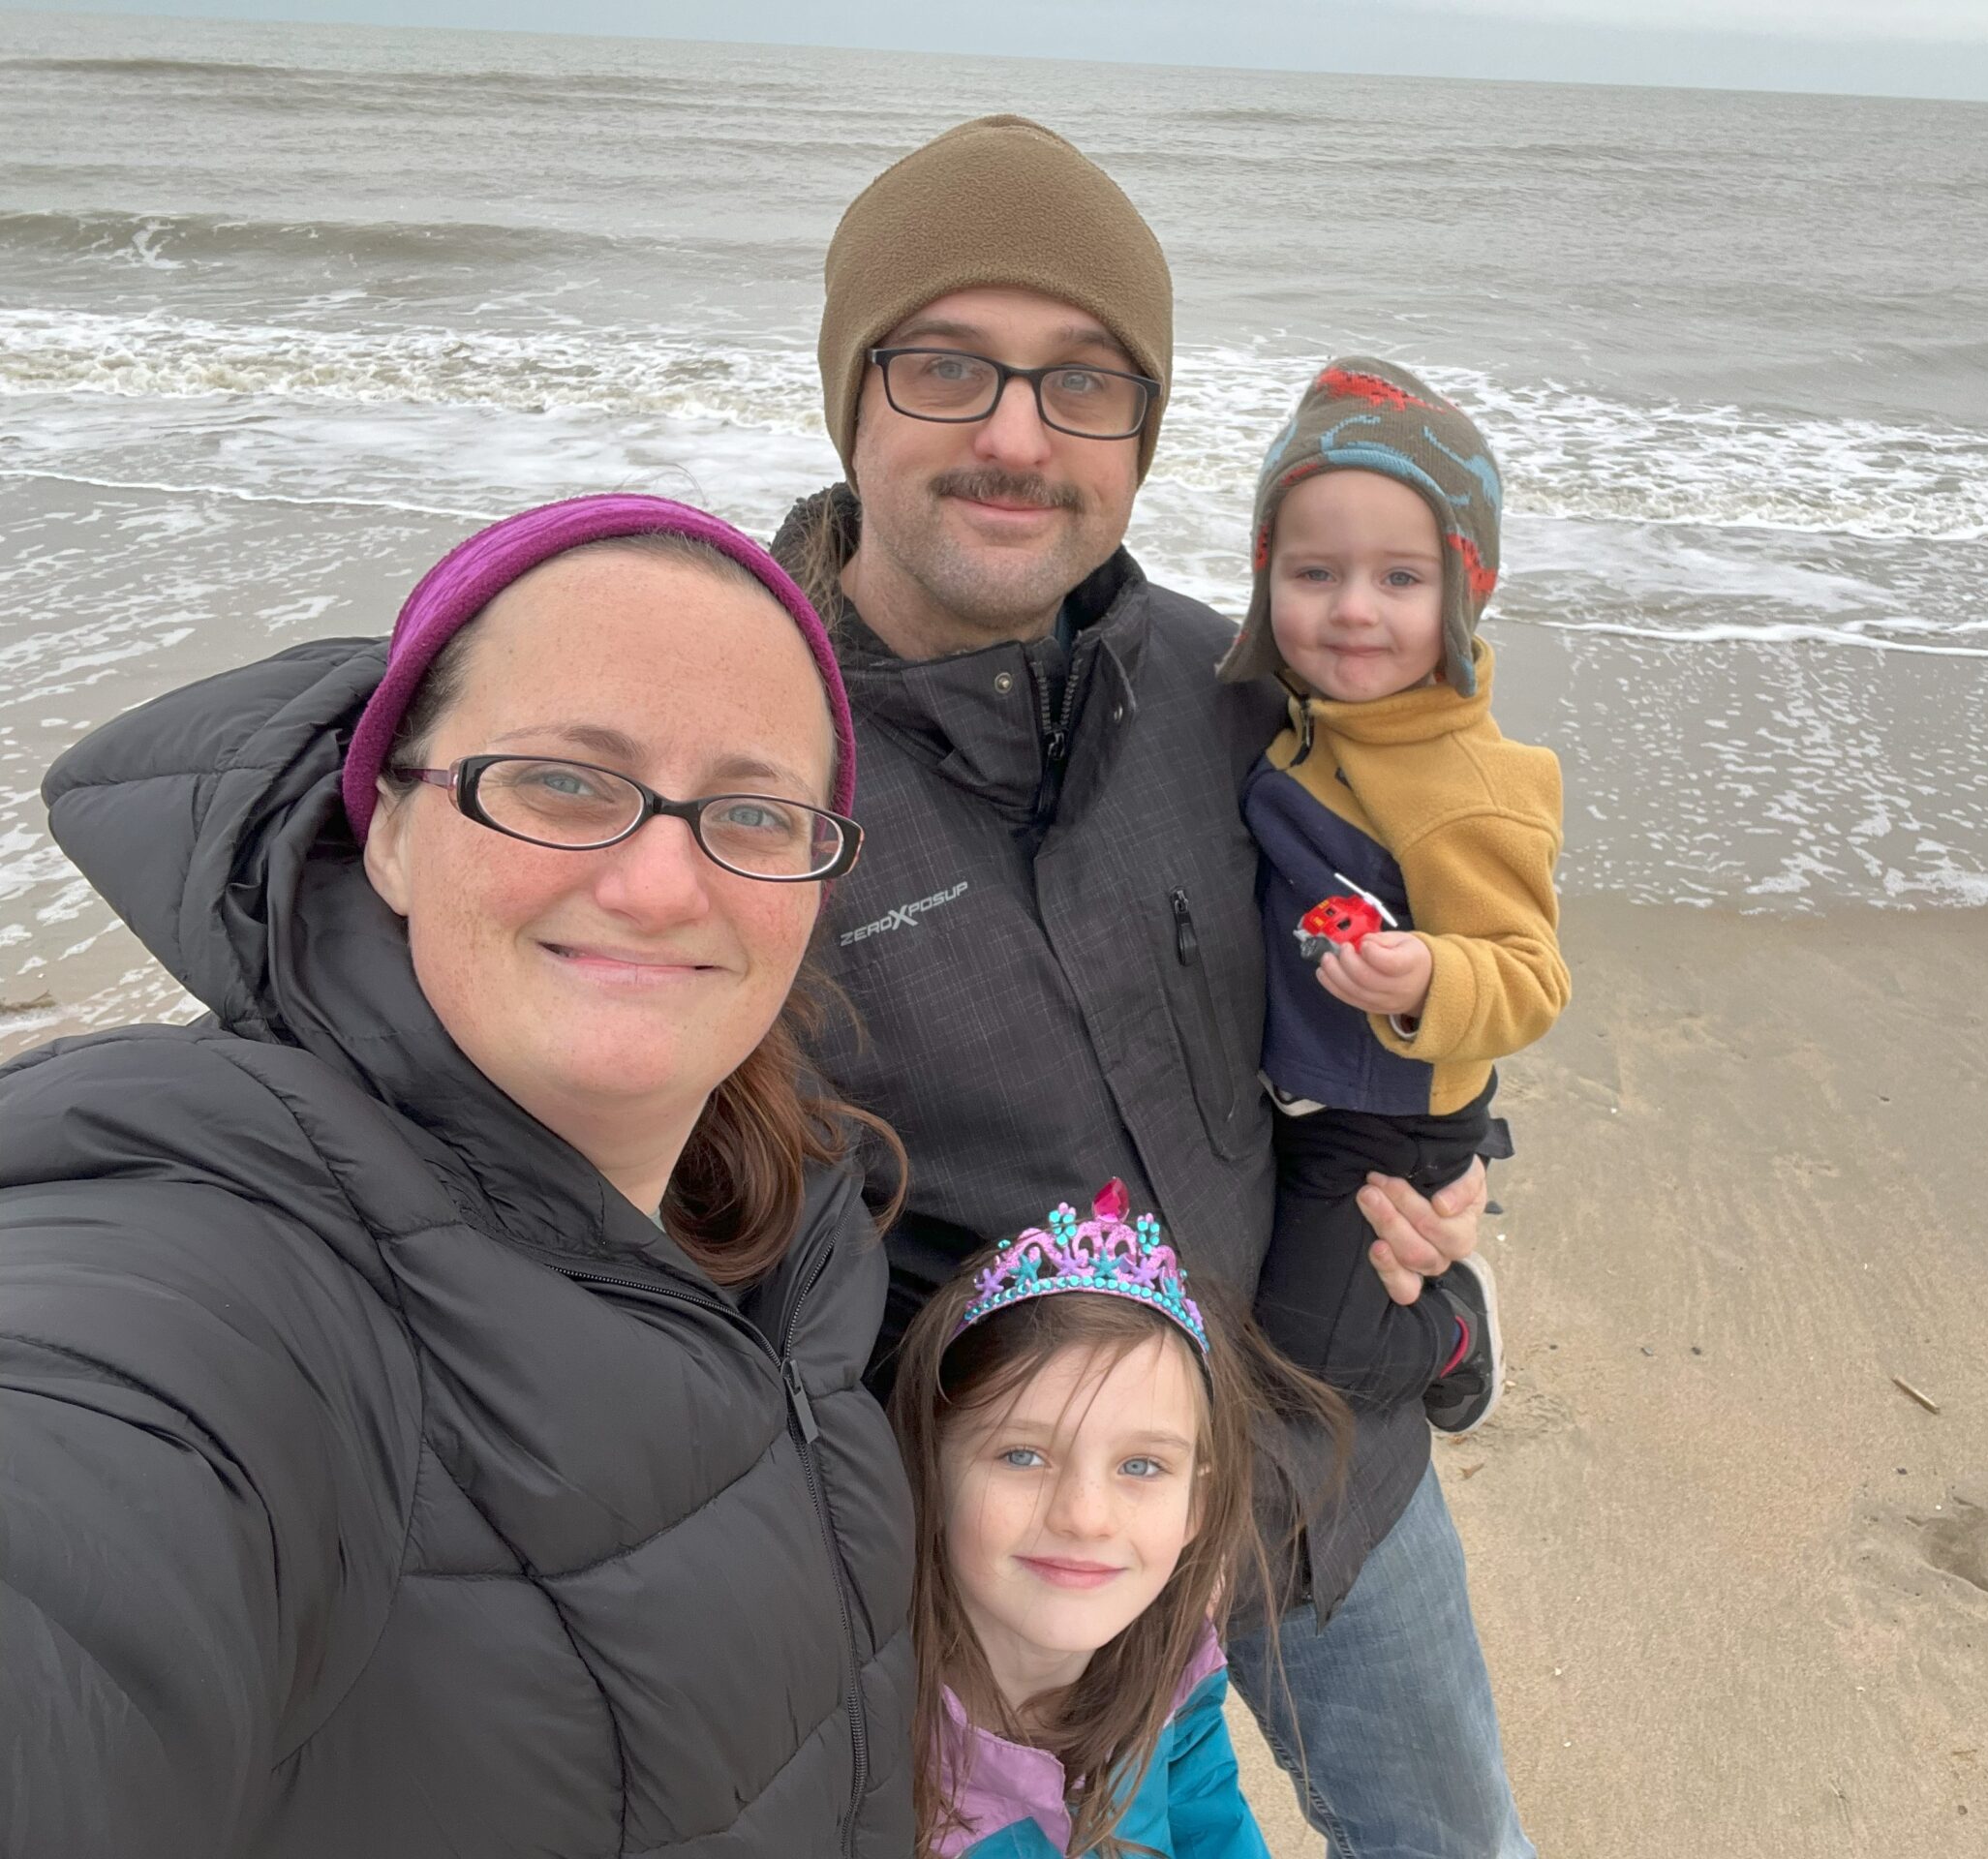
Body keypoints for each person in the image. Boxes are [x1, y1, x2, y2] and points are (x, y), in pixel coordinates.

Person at [772, 115, 1533, 1858]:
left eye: (1086, 382)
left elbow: (1413, 989)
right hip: (1021, 1560)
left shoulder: (1239, 693)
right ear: (853, 396)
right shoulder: (746, 754)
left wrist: (1451, 1188)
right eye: (950, 366)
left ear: (1146, 429)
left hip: (1333, 1460)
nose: (1018, 435)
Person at [0, 496, 912, 1856]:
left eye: (756, 812)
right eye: (562, 782)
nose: (663, 885)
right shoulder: (214, 1254)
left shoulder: (803, 1236)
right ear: (388, 829)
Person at [1218, 357, 1568, 1436]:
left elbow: (1530, 977)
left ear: (1464, 593)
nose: (1354, 611)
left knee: (1307, 1359)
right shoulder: (1298, 717)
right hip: (1300, 1085)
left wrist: (1427, 975)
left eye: (1402, 581)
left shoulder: (1469, 789)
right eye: (1314, 574)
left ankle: (1453, 1333)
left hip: (1393, 1117)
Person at [888, 1179, 1345, 1859]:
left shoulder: (1172, 1659)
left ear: (1197, 1503)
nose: (1085, 1516)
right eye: (1022, 1454)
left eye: (1141, 1466)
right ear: (931, 1472)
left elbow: (1207, 1818)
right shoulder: (862, 1737)